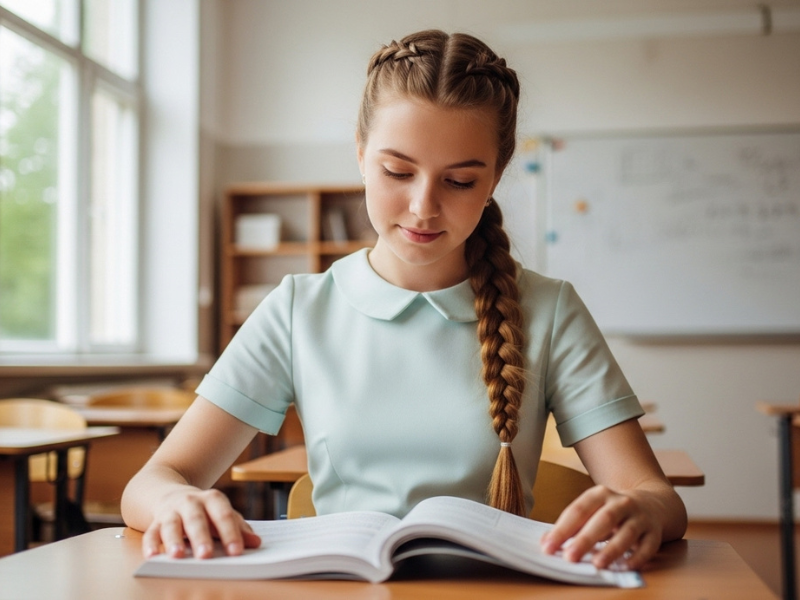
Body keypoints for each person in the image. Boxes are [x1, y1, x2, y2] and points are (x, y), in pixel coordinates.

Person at [121, 29, 686, 572]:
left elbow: (655, 494)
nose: (422, 207)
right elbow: (153, 480)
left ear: (496, 177)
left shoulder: (550, 309)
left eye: (460, 182)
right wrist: (174, 502)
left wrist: (643, 510)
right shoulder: (299, 308)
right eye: (397, 171)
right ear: (362, 155)